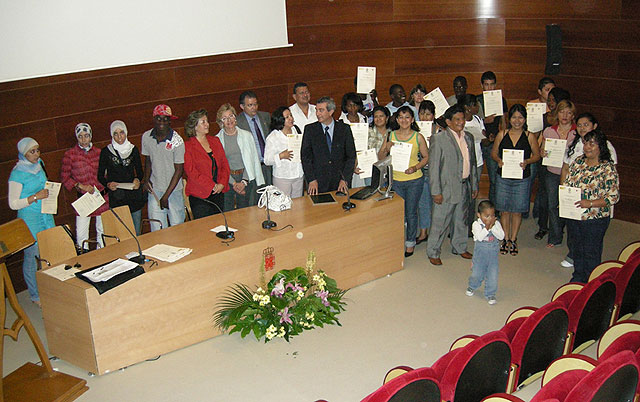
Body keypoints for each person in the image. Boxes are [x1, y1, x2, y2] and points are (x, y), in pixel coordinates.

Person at [559, 113, 617, 268]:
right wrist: (564, 199)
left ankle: (591, 284)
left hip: (595, 217)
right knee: (577, 248)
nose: (587, 147)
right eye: (586, 144)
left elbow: (613, 196)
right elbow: (568, 181)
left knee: (591, 252)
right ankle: (578, 278)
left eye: (592, 144)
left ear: (601, 146)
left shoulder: (607, 167)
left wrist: (590, 203)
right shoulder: (578, 162)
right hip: (575, 213)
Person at [427, 104, 478, 266]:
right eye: (457, 119)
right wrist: (436, 191)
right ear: (448, 122)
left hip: (464, 185)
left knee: (461, 220)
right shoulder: (439, 139)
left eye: (462, 119)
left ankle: (459, 247)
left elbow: (473, 163)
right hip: (445, 188)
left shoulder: (468, 137)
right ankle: (433, 251)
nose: (461, 122)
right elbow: (434, 167)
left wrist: (474, 185)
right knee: (440, 221)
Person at [8, 138, 55, 306]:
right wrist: (35, 197)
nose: (36, 155)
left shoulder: (40, 164)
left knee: (48, 251)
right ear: (23, 153)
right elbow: (13, 203)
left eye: (37, 150)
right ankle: (35, 295)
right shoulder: (17, 173)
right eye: (32, 152)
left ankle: (47, 288)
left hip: (45, 214)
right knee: (32, 255)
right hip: (29, 217)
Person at [378, 105, 429, 257]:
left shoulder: (418, 137)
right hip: (396, 181)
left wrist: (415, 167)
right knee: (399, 213)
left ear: (412, 119)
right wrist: (386, 148)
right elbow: (381, 158)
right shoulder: (391, 135)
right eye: (401, 117)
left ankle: (410, 243)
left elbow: (426, 157)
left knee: (411, 212)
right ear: (397, 119)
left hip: (414, 180)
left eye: (407, 117)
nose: (404, 120)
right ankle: (397, 240)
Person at [491, 104, 541, 256]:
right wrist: (499, 160)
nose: (517, 121)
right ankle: (505, 238)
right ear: (509, 119)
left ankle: (513, 239)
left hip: (522, 178)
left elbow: (537, 156)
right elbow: (493, 153)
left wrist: (527, 161)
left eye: (520, 117)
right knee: (505, 210)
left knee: (517, 211)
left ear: (525, 119)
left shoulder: (529, 136)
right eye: (514, 117)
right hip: (503, 177)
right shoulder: (502, 134)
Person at [60, 123, 107, 249]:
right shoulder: (70, 154)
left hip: (100, 197)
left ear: (90, 136)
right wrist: (80, 186)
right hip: (83, 198)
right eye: (80, 136)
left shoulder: (99, 152)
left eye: (86, 136)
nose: (84, 140)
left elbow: (105, 174)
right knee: (81, 235)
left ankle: (103, 256)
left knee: (102, 231)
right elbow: (65, 178)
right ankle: (84, 259)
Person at [533, 87, 571, 240]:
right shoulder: (547, 125)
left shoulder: (575, 131)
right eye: (550, 100)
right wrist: (542, 152)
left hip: (566, 170)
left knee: (561, 202)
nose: (551, 103)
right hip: (548, 166)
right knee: (546, 198)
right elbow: (540, 142)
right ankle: (544, 227)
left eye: (554, 100)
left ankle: (557, 231)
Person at [141, 104, 186, 231]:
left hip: (173, 191)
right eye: (159, 118)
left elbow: (179, 170)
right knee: (157, 228)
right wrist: (146, 179)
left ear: (170, 121)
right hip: (155, 190)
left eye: (166, 119)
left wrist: (166, 196)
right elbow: (148, 160)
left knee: (177, 227)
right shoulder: (146, 137)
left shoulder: (177, 141)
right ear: (154, 119)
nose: (162, 122)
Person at [98, 120, 145, 235]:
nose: (119, 136)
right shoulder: (106, 152)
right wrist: (108, 184)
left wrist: (137, 179)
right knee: (122, 233)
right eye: (115, 133)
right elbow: (100, 175)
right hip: (117, 197)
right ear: (112, 135)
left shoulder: (133, 149)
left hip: (133, 196)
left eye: (122, 132)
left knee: (136, 232)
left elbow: (140, 172)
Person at [540, 99, 577, 248]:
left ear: (573, 115)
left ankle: (571, 237)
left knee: (568, 206)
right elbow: (542, 150)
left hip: (571, 174)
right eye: (562, 111)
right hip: (552, 172)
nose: (565, 115)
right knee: (552, 205)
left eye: (569, 112)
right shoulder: (549, 131)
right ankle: (555, 237)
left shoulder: (577, 132)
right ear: (557, 113)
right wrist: (543, 152)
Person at [301, 96, 356, 195]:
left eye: (321, 110)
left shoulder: (344, 129)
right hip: (318, 183)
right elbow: (305, 158)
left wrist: (345, 179)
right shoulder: (310, 130)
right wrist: (311, 180)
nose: (317, 114)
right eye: (316, 110)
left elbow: (351, 157)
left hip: (340, 182)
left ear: (331, 112)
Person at [215, 103, 265, 211]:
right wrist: (233, 183)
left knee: (245, 212)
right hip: (227, 179)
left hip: (245, 177)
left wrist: (243, 182)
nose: (229, 120)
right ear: (221, 122)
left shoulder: (247, 135)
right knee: (228, 212)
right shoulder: (217, 140)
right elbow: (220, 165)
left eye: (231, 116)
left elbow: (252, 160)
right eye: (225, 118)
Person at [183, 109, 230, 219]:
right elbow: (191, 172)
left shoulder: (215, 141)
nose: (207, 124)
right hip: (200, 195)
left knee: (219, 225)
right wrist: (211, 185)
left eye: (207, 121)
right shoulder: (188, 146)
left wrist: (221, 183)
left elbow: (224, 165)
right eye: (203, 122)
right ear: (194, 126)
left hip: (218, 192)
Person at [477, 71, 508, 208]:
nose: (489, 88)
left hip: (494, 142)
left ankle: (493, 208)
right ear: (482, 85)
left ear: (495, 85)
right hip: (478, 142)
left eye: (491, 85)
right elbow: (470, 121)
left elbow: (504, 122)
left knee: (495, 178)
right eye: (486, 85)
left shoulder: (500, 99)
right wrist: (485, 120)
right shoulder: (477, 100)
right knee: (474, 176)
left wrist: (500, 137)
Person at [466, 200, 505, 305]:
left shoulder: (496, 224)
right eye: (487, 216)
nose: (490, 219)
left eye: (492, 216)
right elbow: (479, 237)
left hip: (492, 256)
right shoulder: (476, 224)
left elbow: (501, 236)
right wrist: (487, 227)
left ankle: (490, 293)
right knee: (477, 274)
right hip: (480, 255)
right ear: (479, 215)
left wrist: (493, 227)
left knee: (493, 275)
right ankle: (472, 285)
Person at [264, 106, 305, 198]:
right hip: (283, 176)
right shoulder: (273, 137)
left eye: (291, 115)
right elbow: (267, 160)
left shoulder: (296, 130)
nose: (291, 118)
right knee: (283, 204)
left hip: (298, 174)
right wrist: (281, 155)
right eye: (287, 117)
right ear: (280, 120)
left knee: (298, 204)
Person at [236, 91, 272, 186]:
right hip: (252, 167)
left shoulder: (266, 117)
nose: (254, 108)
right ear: (242, 106)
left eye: (255, 104)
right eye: (250, 105)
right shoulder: (238, 123)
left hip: (268, 165)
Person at [416, 100, 440, 244]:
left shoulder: (440, 130)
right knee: (423, 203)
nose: (425, 117)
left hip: (437, 172)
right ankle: (423, 232)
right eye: (422, 114)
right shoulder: (414, 130)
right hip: (422, 171)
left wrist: (435, 142)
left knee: (438, 204)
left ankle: (436, 233)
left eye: (428, 114)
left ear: (433, 115)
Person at [461, 94, 485, 231]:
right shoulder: (459, 121)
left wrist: (487, 137)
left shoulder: (477, 119)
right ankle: (458, 224)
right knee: (460, 195)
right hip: (462, 163)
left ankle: (470, 224)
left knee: (472, 193)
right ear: (467, 107)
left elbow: (485, 140)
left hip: (477, 161)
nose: (477, 107)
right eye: (475, 104)